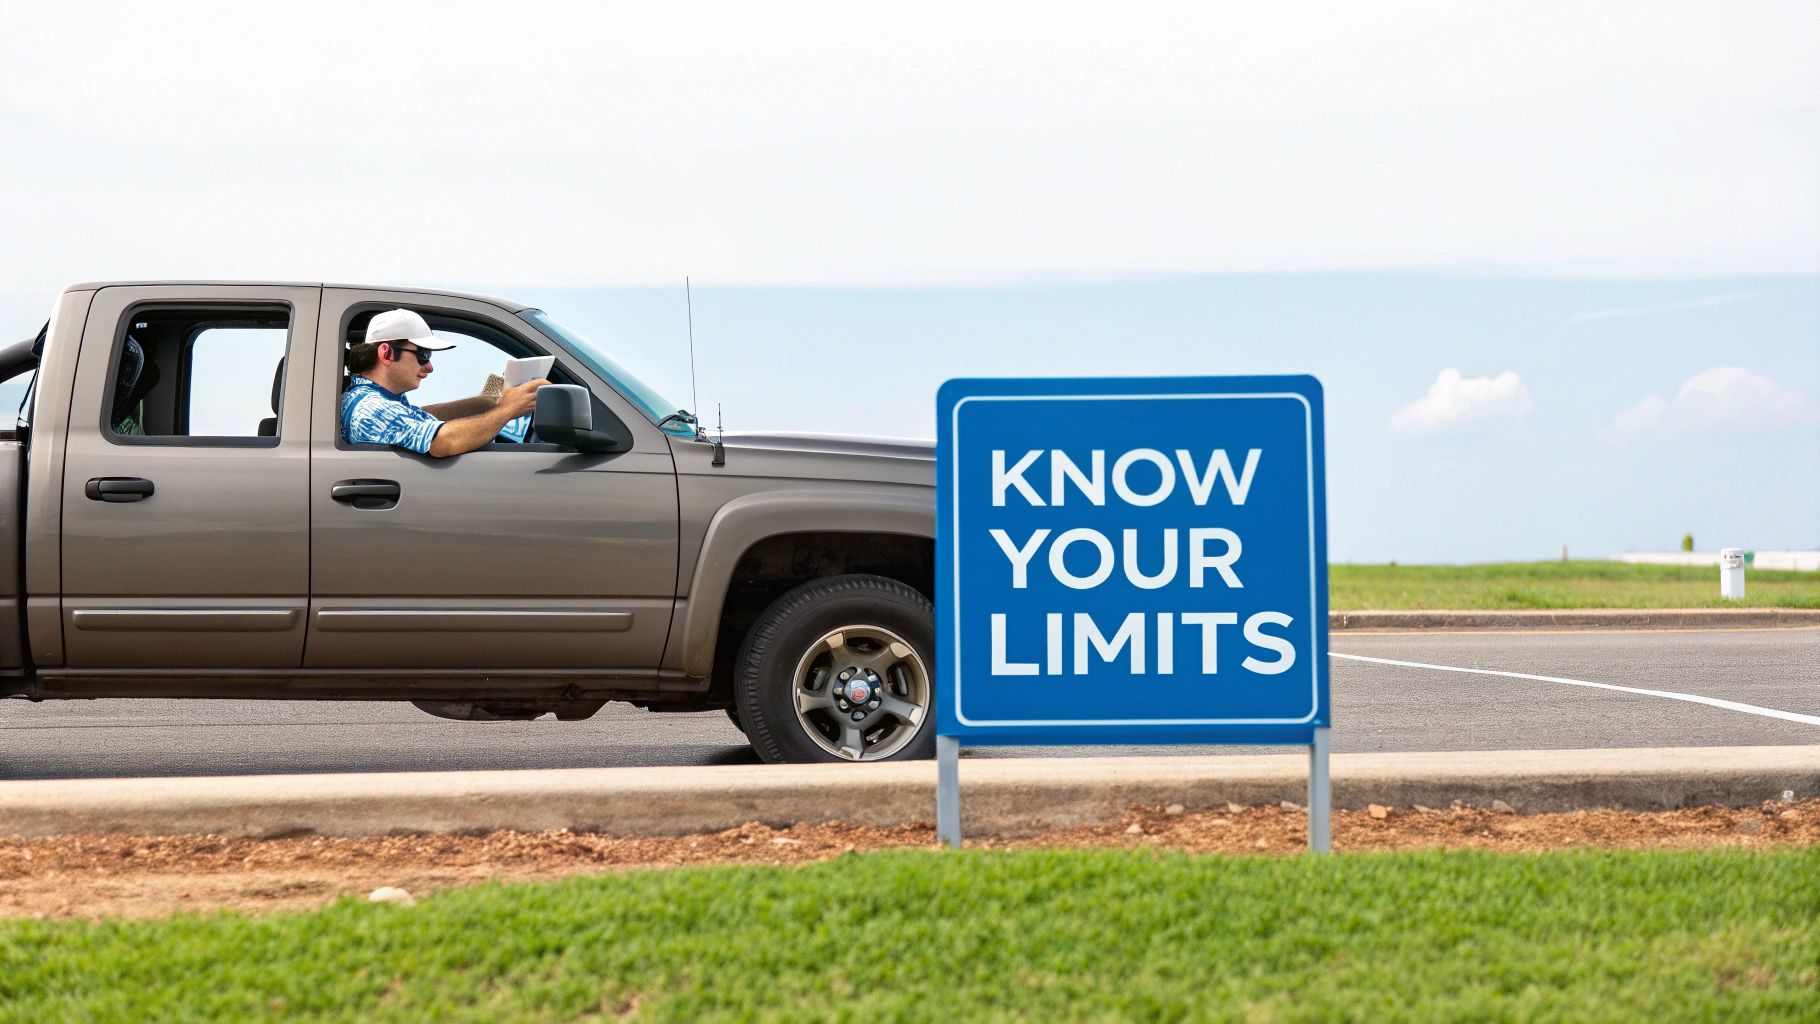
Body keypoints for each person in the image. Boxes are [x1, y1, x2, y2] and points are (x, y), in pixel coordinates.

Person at [340, 308, 548, 457]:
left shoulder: (375, 400)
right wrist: (508, 410)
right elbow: (443, 442)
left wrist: (493, 397)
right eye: (423, 354)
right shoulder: (373, 409)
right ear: (386, 353)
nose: (430, 367)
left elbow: (426, 414)